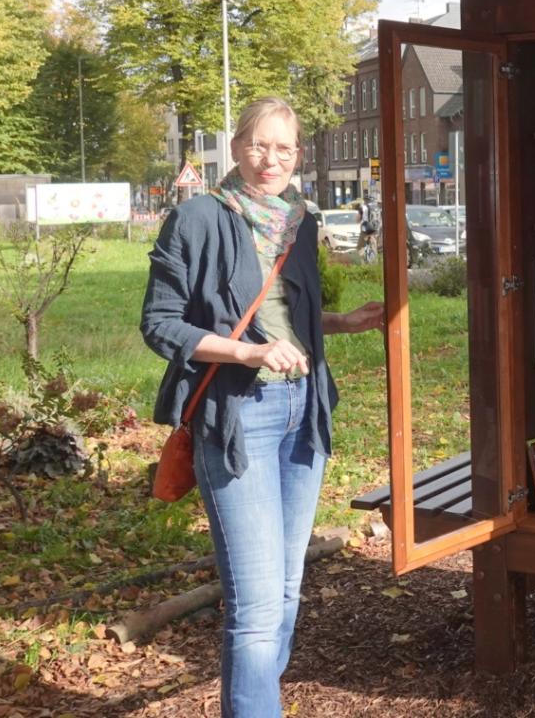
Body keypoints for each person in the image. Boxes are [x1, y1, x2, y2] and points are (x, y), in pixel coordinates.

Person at [140, 97, 383, 718]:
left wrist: (341, 323)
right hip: (238, 417)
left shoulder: (297, 220)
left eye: (284, 148)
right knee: (253, 607)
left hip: (305, 412)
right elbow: (160, 325)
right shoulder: (197, 217)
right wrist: (248, 356)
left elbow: (283, 322)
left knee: (285, 589)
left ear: (298, 154)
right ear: (237, 146)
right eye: (258, 145)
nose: (270, 159)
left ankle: (255, 702)